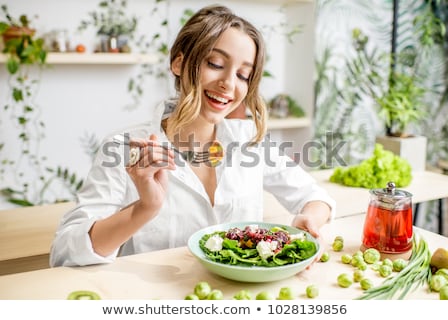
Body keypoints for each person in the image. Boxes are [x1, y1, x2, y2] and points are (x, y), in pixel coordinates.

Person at [49, 5, 336, 267]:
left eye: (243, 75)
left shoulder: (249, 141)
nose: (228, 84)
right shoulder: (125, 147)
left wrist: (309, 220)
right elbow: (65, 252)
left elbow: (314, 196)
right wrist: (145, 208)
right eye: (214, 64)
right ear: (179, 63)